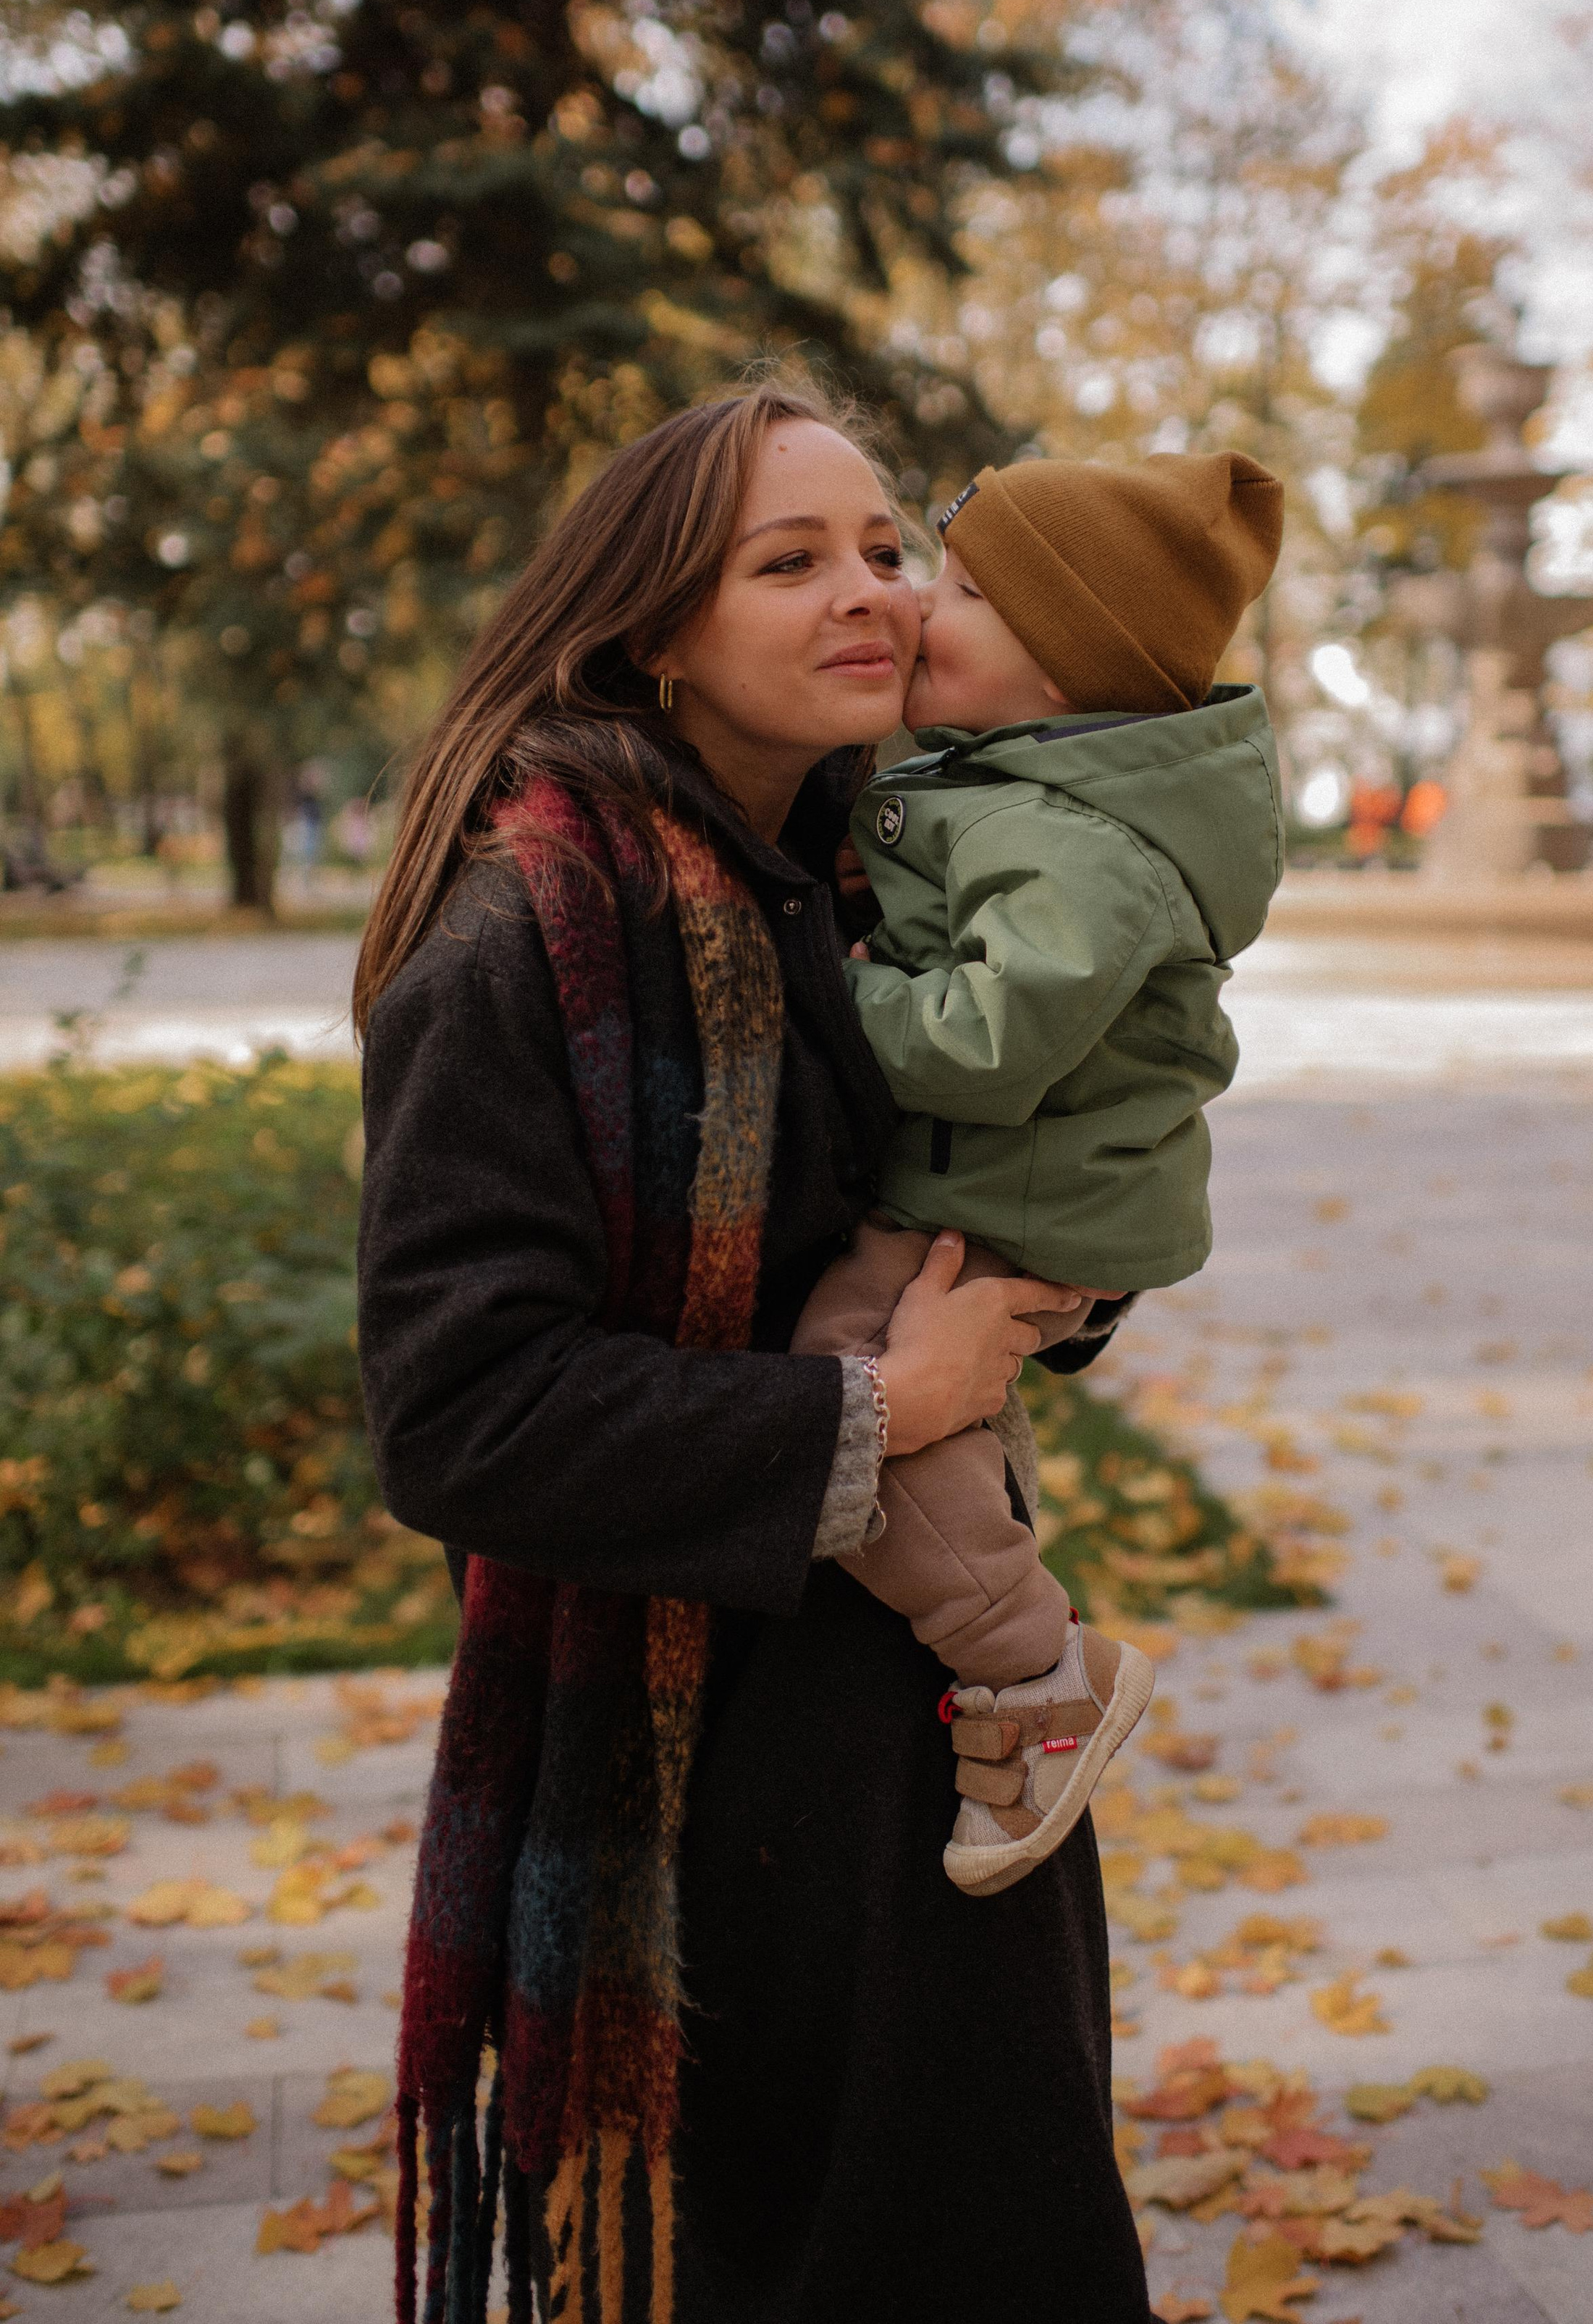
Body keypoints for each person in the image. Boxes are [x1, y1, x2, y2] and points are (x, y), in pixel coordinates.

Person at [352, 382, 1156, 2324]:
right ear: (650, 628)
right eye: (787, 559)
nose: (868, 590)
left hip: (944, 1726)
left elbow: (959, 1212)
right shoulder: (533, 928)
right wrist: (890, 1405)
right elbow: (460, 1412)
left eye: (886, 543)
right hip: (704, 1772)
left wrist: (1054, 1279)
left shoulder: (882, 884)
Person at [788, 452, 1284, 1895]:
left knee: (851, 1385)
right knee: (871, 1393)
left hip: (1018, 1204)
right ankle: (1022, 1666)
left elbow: (987, 1041)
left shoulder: (1080, 847)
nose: (920, 606)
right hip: (1008, 1185)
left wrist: (822, 988)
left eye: (967, 589)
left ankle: (1030, 1671)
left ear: (1066, 668)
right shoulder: (1018, 786)